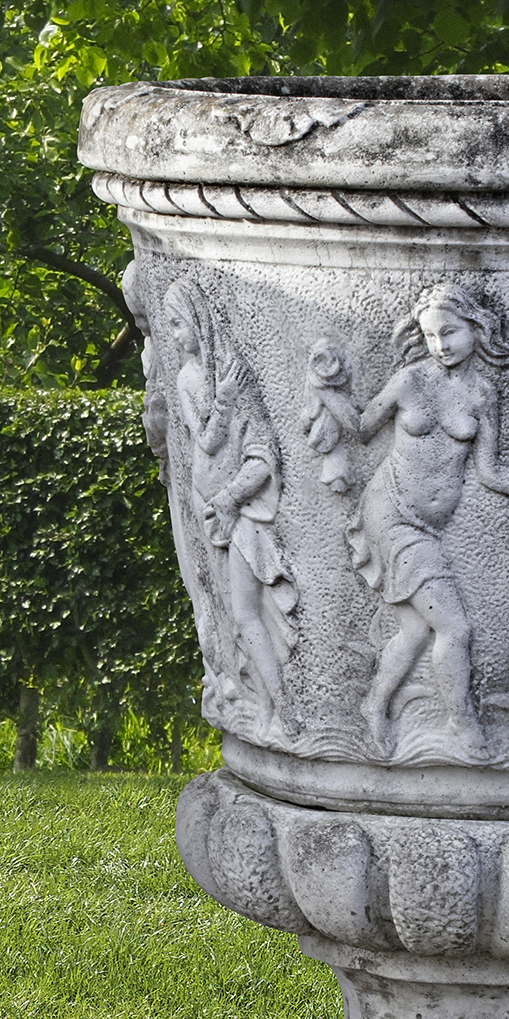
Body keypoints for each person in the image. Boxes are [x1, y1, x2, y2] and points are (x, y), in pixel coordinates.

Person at [339, 279, 509, 755]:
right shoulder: (411, 380)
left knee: (415, 631)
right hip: (390, 511)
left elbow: (489, 471)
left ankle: (374, 705)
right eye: (431, 336)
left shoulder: (481, 394)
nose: (440, 345)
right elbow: (363, 427)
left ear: (476, 328)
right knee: (455, 628)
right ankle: (463, 723)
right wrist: (326, 391)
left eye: (449, 333)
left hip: (427, 524)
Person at [159, 279, 297, 742]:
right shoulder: (189, 378)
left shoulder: (234, 378)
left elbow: (262, 455)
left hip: (243, 512)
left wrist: (232, 497)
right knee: (234, 616)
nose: (174, 335)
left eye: (178, 324)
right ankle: (269, 706)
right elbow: (207, 439)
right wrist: (225, 401)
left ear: (199, 321)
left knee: (246, 614)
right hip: (213, 512)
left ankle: (281, 712)